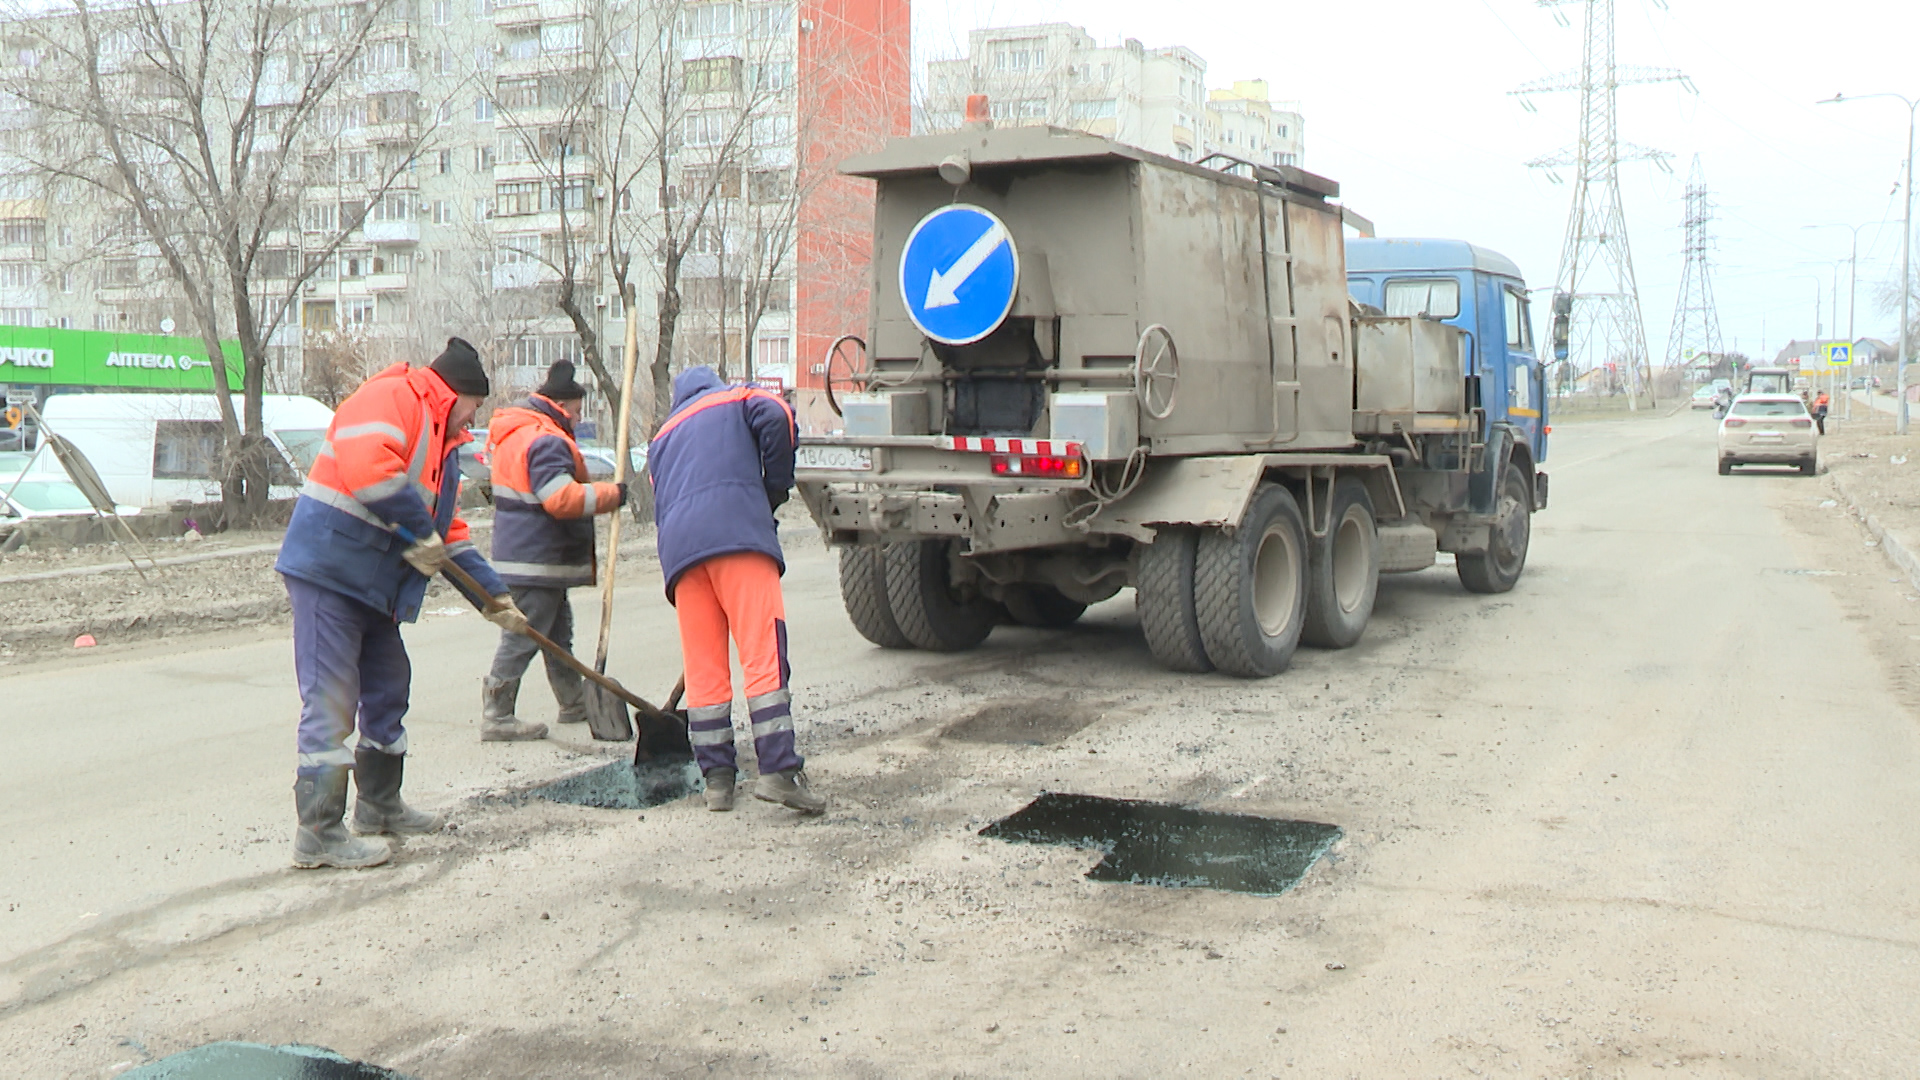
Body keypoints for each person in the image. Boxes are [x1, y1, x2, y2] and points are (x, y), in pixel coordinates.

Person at [275, 338, 529, 869]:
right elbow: (371, 468)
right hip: (330, 570)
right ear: (458, 393)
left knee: (390, 686)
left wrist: (494, 597)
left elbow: (446, 536)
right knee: (332, 698)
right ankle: (318, 830)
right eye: (475, 406)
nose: (474, 418)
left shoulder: (444, 446)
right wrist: (419, 530)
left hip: (373, 585)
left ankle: (380, 805)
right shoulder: (393, 397)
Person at [648, 366, 824, 814]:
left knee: (704, 667)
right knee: (763, 655)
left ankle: (718, 783)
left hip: (682, 556)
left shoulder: (662, 438)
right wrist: (773, 489)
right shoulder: (735, 398)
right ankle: (778, 773)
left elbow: (661, 497)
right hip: (738, 537)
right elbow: (779, 416)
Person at [478, 361, 626, 740]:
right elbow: (560, 498)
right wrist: (613, 495)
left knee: (557, 633)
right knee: (526, 633)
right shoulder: (545, 439)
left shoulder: (521, 433)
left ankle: (574, 702)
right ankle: (497, 713)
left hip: (530, 556)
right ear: (561, 406)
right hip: (536, 559)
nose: (577, 420)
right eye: (576, 412)